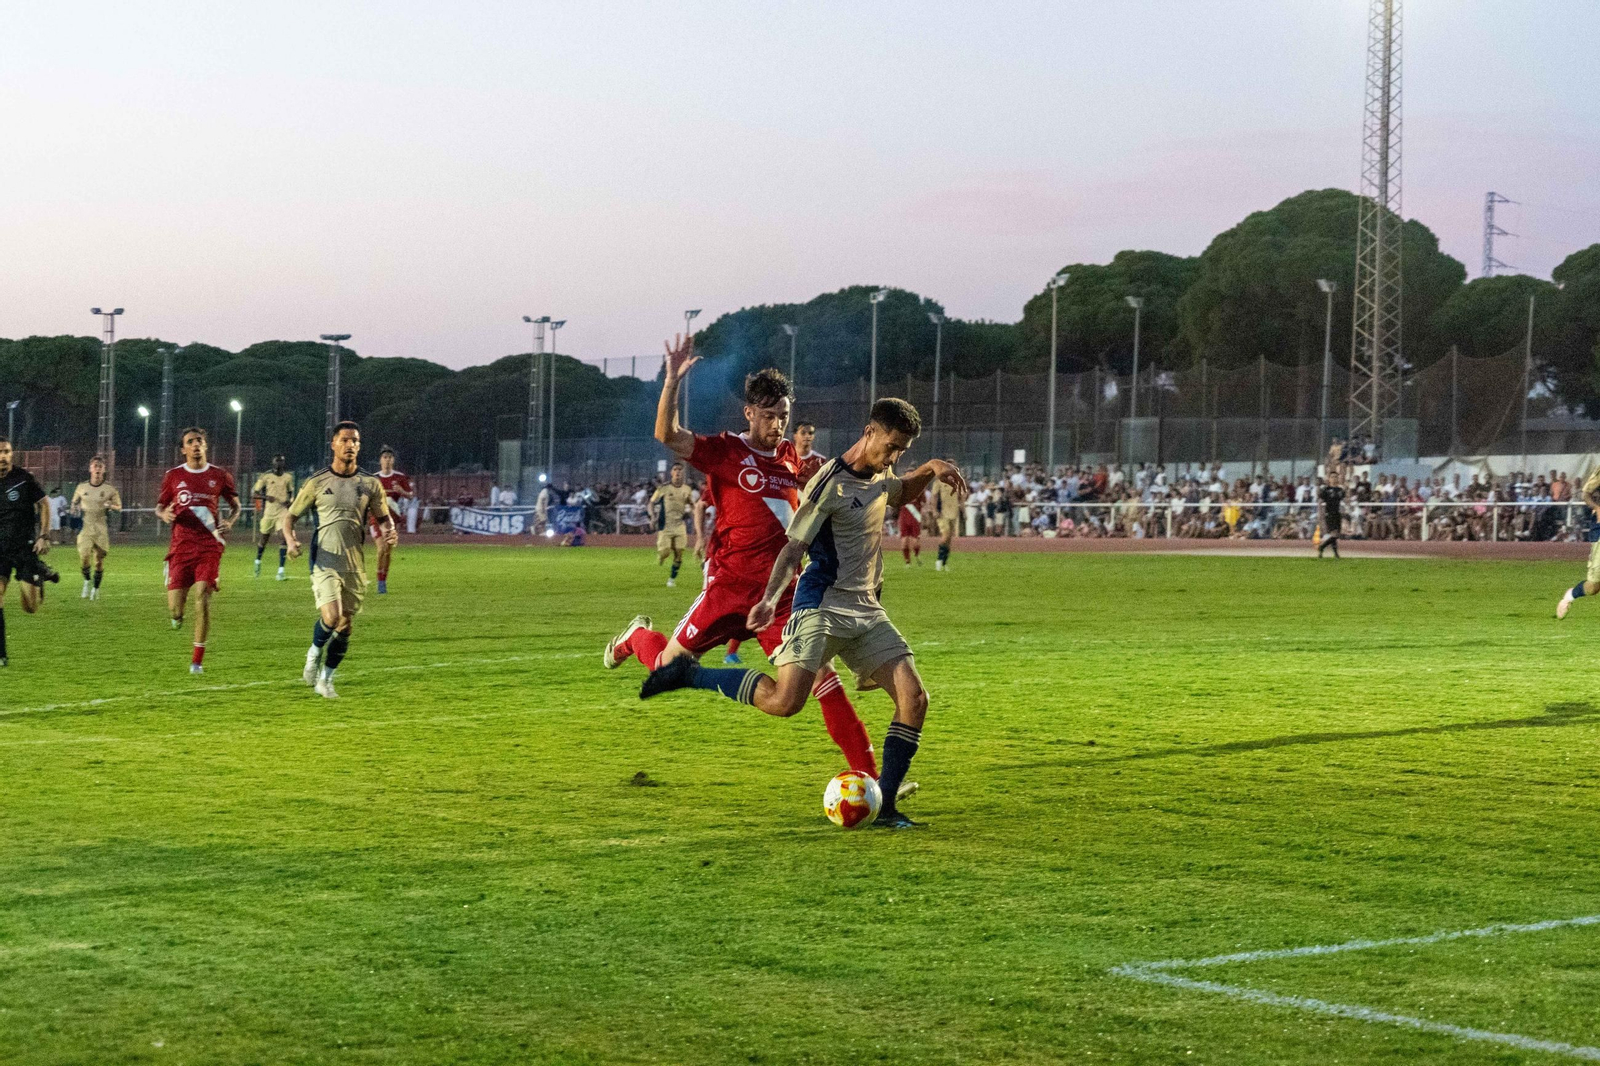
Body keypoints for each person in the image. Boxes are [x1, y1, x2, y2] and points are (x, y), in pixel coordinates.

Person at [640, 397, 966, 829]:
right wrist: (770, 599)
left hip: (866, 609)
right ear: (869, 432)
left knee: (914, 699)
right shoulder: (829, 483)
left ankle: (885, 806)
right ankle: (689, 674)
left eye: (901, 451)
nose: (894, 457)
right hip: (821, 607)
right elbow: (794, 547)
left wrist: (929, 469)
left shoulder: (881, 472)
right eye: (891, 447)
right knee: (784, 702)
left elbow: (899, 492)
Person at [603, 336, 879, 780]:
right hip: (728, 588)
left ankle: (873, 782)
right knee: (665, 667)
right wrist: (672, 381)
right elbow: (666, 435)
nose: (778, 425)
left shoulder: (790, 458)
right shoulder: (726, 451)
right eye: (769, 416)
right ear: (749, 413)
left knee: (819, 679)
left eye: (783, 416)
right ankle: (635, 637)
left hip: (781, 595)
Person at [282, 421, 395, 698]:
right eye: (344, 440)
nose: (350, 445)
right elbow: (289, 518)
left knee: (346, 625)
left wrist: (390, 532)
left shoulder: (370, 484)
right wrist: (291, 541)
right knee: (332, 617)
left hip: (354, 562)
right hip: (324, 558)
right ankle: (313, 653)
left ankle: (326, 680)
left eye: (355, 440)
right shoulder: (317, 482)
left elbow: (384, 518)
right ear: (333, 444)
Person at [155, 427, 240, 674]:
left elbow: (236, 506)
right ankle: (176, 617)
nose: (195, 445)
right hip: (181, 547)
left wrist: (230, 521)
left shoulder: (220, 475)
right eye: (190, 442)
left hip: (209, 546)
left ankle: (197, 661)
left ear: (206, 445)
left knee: (202, 597)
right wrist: (164, 514)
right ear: (183, 449)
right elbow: (159, 507)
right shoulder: (173, 476)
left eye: (199, 441)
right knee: (176, 610)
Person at [0, 437, 60, 665]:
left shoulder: (24, 478)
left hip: (24, 548)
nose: (3, 457)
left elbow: (44, 503)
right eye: (0, 452)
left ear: (11, 454)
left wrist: (44, 535)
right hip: (0, 550)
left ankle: (39, 574)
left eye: (7, 452)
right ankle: (1, 654)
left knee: (30, 608)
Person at [70, 455, 121, 600]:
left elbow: (119, 507)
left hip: (100, 528)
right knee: (84, 557)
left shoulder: (110, 489)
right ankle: (87, 581)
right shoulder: (81, 487)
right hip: (85, 527)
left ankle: (96, 589)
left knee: (99, 560)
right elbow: (74, 503)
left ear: (104, 469)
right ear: (90, 469)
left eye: (100, 466)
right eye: (95, 466)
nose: (97, 469)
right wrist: (74, 508)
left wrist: (110, 505)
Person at [371, 446, 414, 594]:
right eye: (385, 457)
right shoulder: (373, 478)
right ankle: (380, 582)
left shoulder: (400, 477)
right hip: (376, 518)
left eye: (390, 457)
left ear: (393, 460)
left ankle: (384, 579)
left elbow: (410, 495)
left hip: (392, 518)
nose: (387, 460)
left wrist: (401, 491)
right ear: (380, 460)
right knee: (381, 549)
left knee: (388, 551)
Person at [649, 461, 694, 587]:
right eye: (675, 469)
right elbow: (651, 502)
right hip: (665, 526)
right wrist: (652, 517)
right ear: (671, 472)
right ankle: (661, 556)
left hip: (680, 525)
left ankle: (671, 579)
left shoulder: (687, 489)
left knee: (679, 552)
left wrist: (695, 518)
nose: (678, 472)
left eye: (680, 469)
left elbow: (692, 504)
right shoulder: (663, 488)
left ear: (683, 473)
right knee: (665, 552)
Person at [252, 454, 295, 580]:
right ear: (273, 462)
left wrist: (290, 501)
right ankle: (258, 561)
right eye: (277, 461)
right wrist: (266, 497)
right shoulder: (266, 476)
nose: (279, 463)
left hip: (282, 512)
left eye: (281, 461)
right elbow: (254, 494)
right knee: (263, 540)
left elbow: (291, 493)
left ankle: (280, 571)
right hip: (269, 513)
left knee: (283, 538)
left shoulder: (288, 477)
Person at [931, 472, 961, 570]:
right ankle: (939, 560)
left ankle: (944, 563)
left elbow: (960, 497)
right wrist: (934, 510)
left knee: (949, 539)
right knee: (945, 535)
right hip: (942, 513)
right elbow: (934, 496)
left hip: (954, 512)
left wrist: (963, 509)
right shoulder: (939, 482)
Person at [1317, 472, 1345, 560]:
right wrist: (1320, 513)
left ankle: (1333, 553)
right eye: (1332, 477)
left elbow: (1344, 500)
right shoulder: (1326, 489)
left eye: (1336, 477)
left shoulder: (1340, 490)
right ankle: (1322, 547)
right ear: (1329, 479)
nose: (1334, 478)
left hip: (1337, 513)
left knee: (1336, 534)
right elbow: (1320, 501)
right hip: (1329, 513)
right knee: (1334, 534)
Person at [896, 492, 923, 565]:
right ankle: (907, 562)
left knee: (915, 542)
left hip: (915, 516)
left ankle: (917, 555)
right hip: (904, 517)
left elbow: (923, 501)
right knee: (904, 542)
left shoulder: (919, 489)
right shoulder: (901, 489)